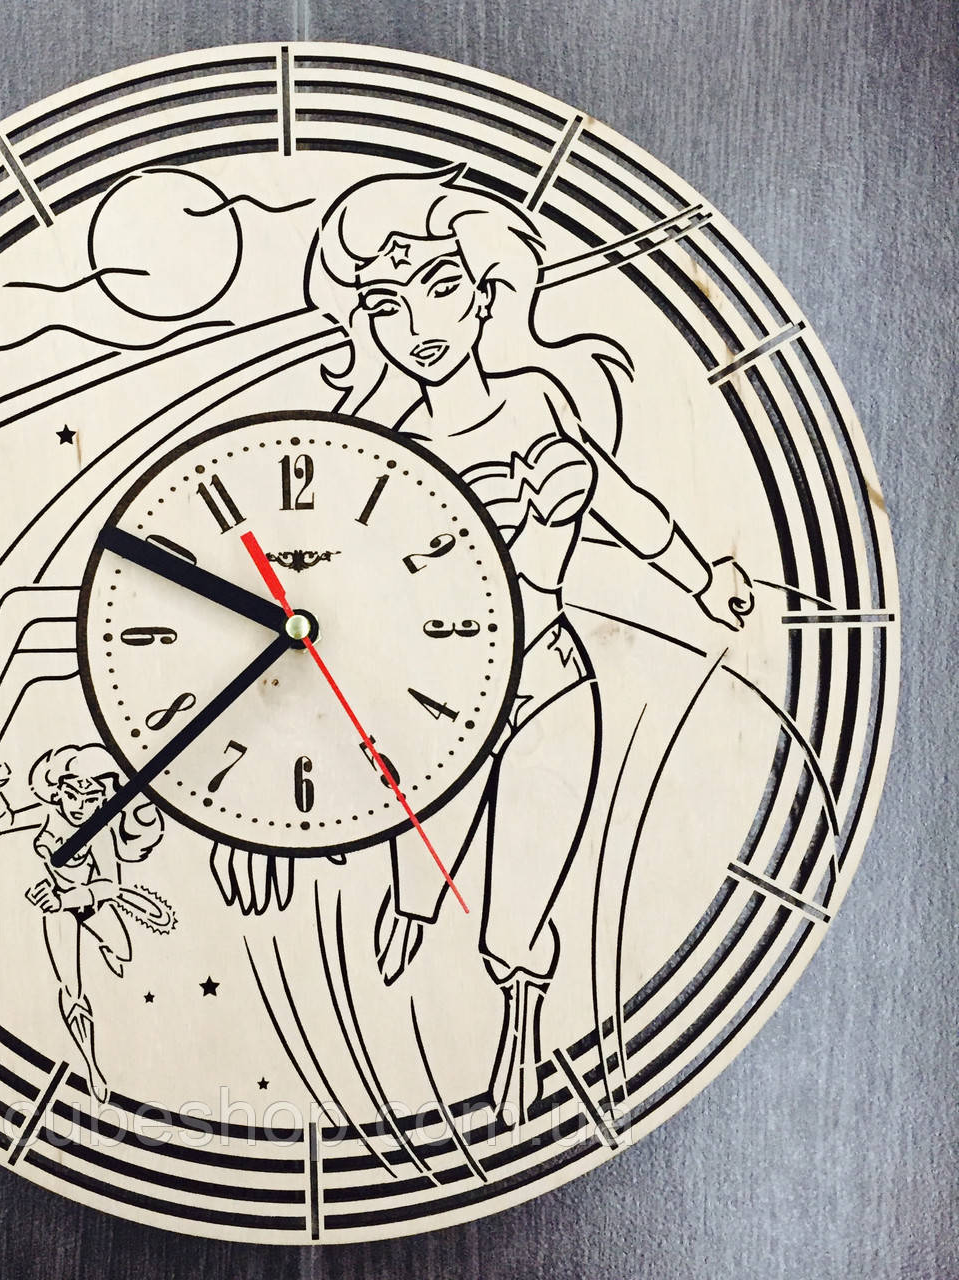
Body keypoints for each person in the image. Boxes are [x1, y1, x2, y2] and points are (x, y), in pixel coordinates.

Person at [305, 165, 754, 1122]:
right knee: (416, 880)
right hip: (434, 716)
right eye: (385, 305)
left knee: (512, 924)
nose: (418, 325)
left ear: (485, 294)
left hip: (549, 685)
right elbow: (348, 604)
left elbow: (622, 503)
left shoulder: (540, 401)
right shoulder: (386, 445)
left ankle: (519, 1015)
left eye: (441, 288)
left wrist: (702, 574)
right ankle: (413, 913)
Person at [0, 743, 165, 1103]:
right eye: (71, 794)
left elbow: (108, 885)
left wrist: (68, 899)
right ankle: (92, 1066)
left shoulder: (101, 833)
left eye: (91, 797)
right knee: (72, 987)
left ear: (103, 800)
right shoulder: (46, 814)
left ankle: (108, 948)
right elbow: (5, 822)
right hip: (57, 907)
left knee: (123, 952)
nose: (79, 805)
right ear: (58, 790)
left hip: (88, 903)